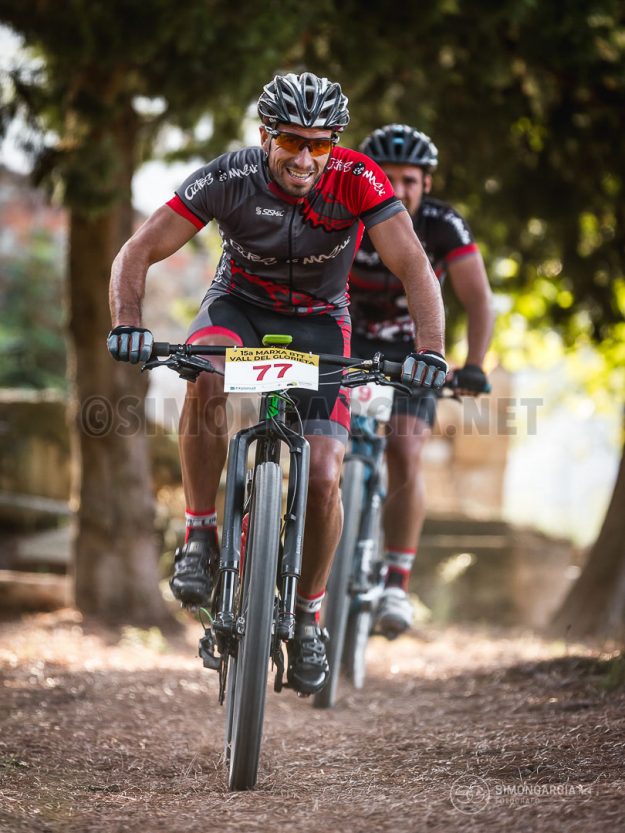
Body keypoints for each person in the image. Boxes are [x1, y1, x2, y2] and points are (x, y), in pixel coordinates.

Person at [107, 76, 447, 695]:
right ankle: (201, 534)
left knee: (322, 474)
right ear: (266, 135)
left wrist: (431, 350)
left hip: (322, 324)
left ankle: (308, 616)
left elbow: (414, 266)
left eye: (320, 144)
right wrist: (127, 324)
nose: (305, 158)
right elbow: (135, 252)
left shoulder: (359, 177)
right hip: (238, 309)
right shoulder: (229, 177)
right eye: (291, 140)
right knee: (203, 374)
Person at [351, 123, 494, 637]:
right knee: (317, 443)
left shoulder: (442, 224)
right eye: (387, 178)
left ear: (426, 184)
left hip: (415, 350)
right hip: (345, 339)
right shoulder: (349, 208)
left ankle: (396, 580)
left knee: (404, 450)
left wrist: (474, 363)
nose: (398, 189)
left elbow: (477, 298)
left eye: (409, 180)